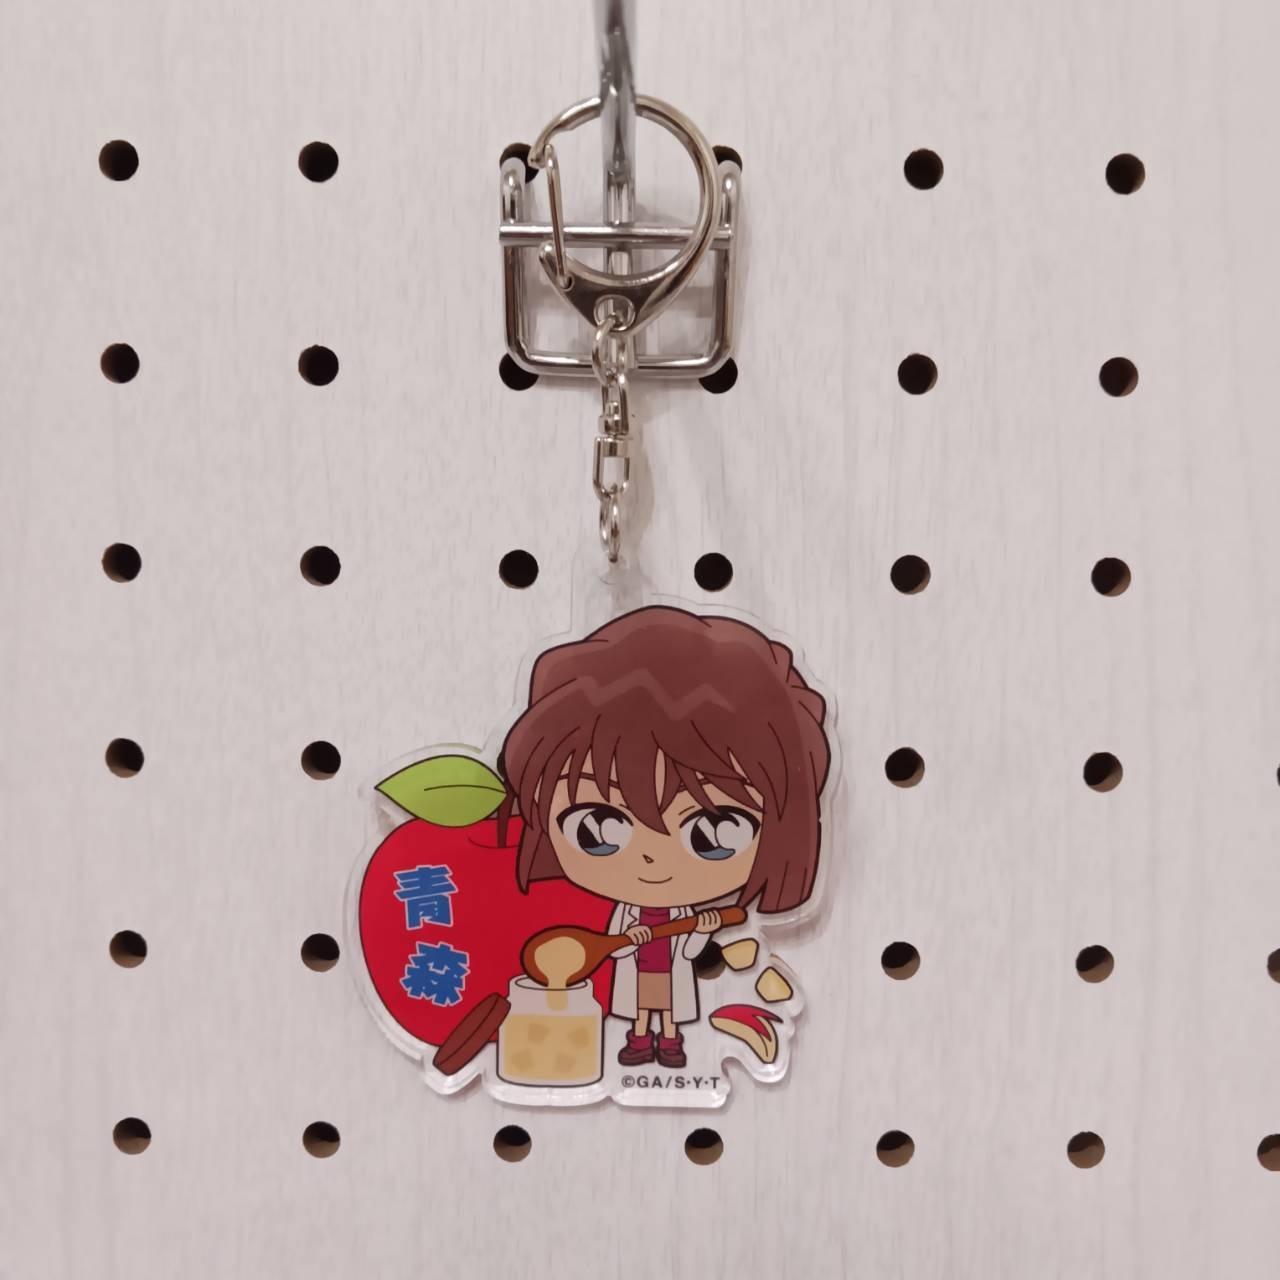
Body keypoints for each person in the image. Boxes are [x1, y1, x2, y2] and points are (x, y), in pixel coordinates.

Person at [499, 606, 830, 1068]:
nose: (651, 858)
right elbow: (614, 943)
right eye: (596, 827)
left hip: (674, 970)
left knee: (669, 1006)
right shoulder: (623, 912)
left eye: (711, 834)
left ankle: (669, 1040)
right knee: (639, 1006)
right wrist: (630, 939)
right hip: (634, 968)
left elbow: (690, 948)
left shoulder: (680, 911)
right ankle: (640, 1039)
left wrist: (701, 931)